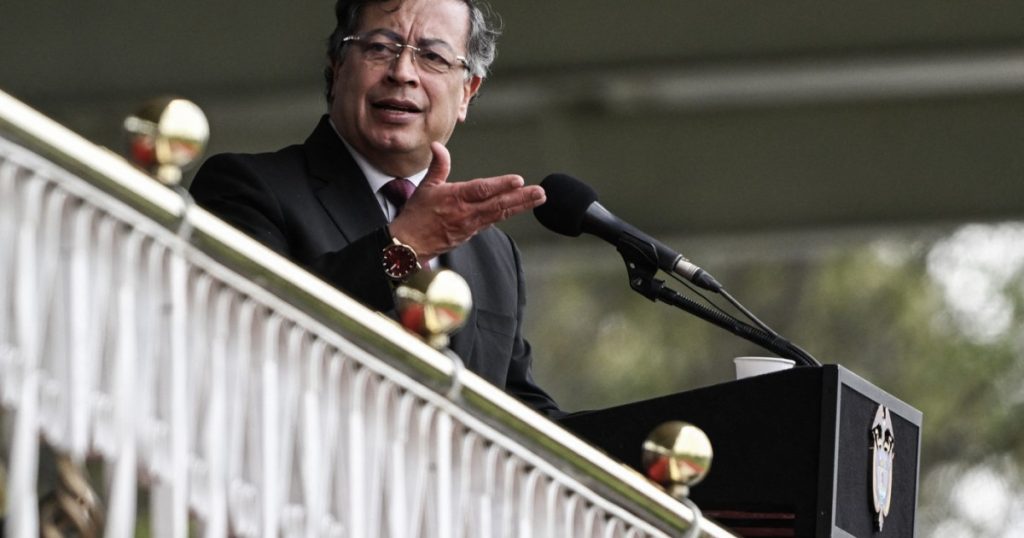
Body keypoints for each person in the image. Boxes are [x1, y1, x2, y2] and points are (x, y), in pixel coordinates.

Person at [190, 0, 561, 416]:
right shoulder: (246, 186)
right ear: (336, 67)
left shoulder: (493, 254)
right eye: (380, 48)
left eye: (433, 57)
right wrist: (404, 246)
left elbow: (527, 418)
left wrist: (626, 436)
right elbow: (251, 336)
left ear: (467, 93)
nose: (402, 73)